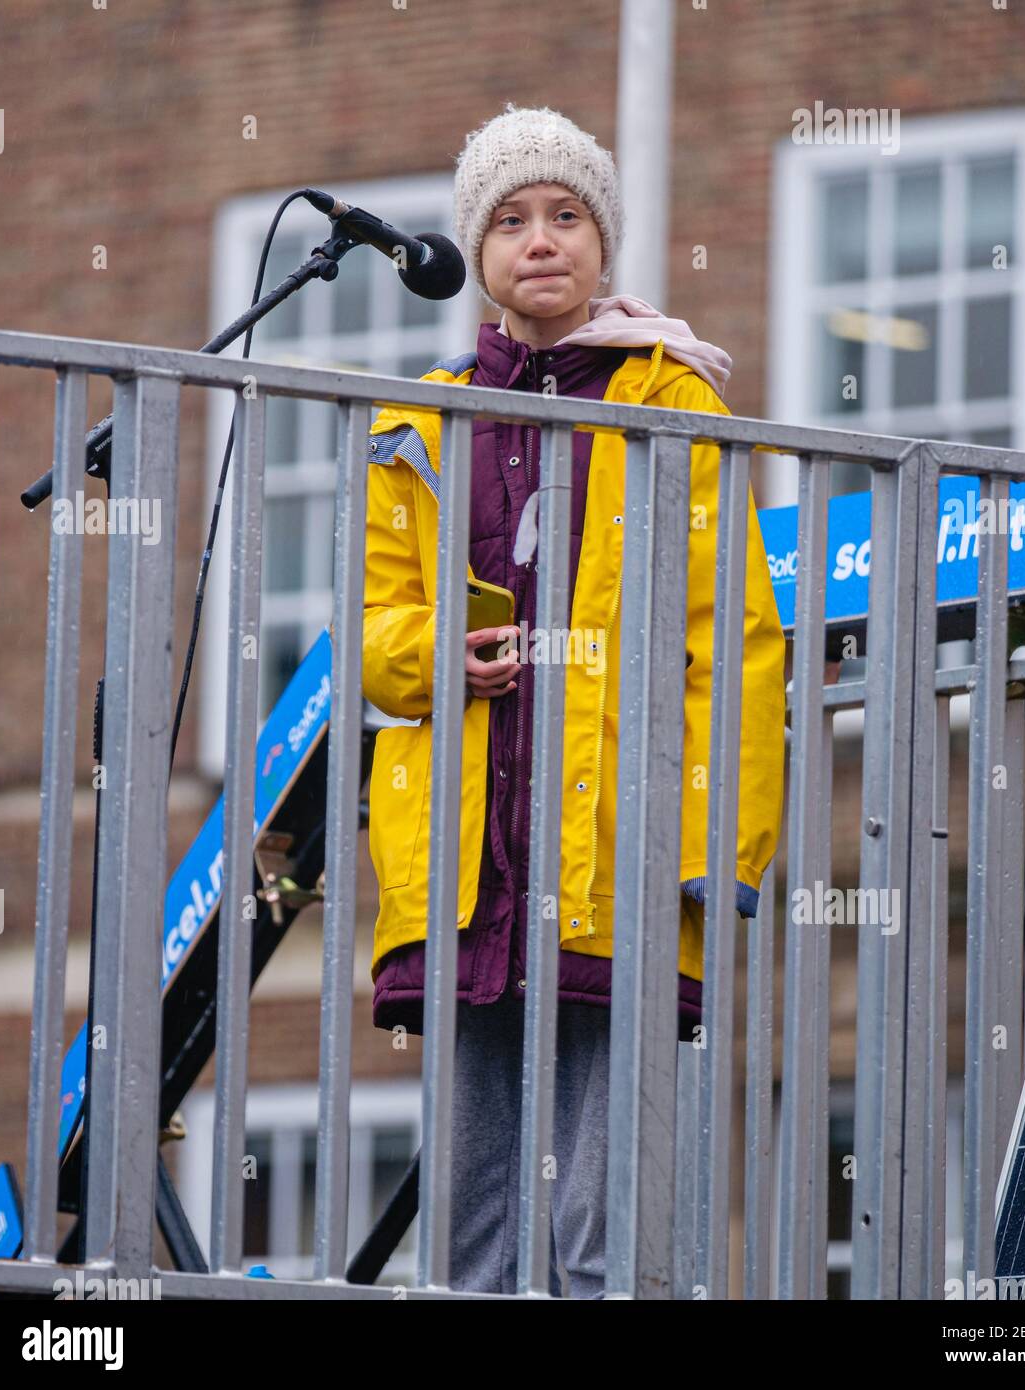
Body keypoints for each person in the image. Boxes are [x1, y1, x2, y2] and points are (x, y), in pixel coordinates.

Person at [361, 103, 786, 1297]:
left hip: (624, 853)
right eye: (507, 220)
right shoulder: (422, 418)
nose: (539, 239)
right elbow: (374, 634)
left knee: (607, 1210)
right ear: (476, 255)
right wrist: (440, 654)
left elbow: (735, 639)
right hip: (468, 856)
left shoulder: (673, 403)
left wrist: (720, 844)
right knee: (472, 1212)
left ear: (604, 243)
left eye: (566, 215)